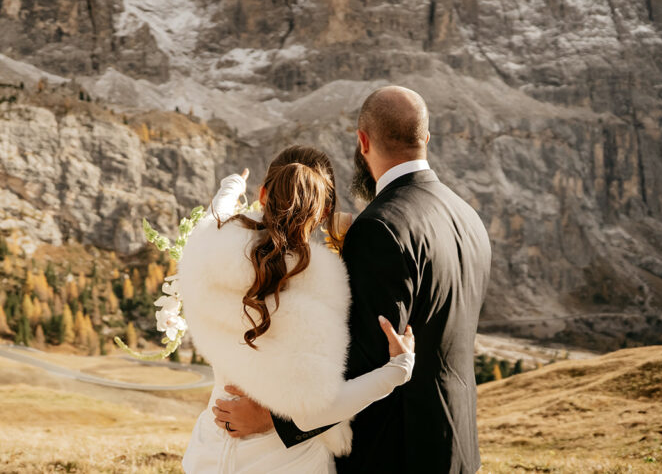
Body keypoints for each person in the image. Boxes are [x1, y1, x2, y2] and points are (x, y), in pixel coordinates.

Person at [213, 86, 492, 473]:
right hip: (457, 446)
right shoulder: (467, 217)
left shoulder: (382, 226)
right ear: (426, 137)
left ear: (363, 141)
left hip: (396, 452)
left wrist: (272, 420)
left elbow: (363, 356)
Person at [178, 145, 416, 474]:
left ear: (262, 194)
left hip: (210, 450)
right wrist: (396, 372)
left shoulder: (207, 249)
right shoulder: (321, 285)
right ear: (324, 210)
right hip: (283, 463)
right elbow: (311, 410)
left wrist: (230, 188)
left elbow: (214, 218)